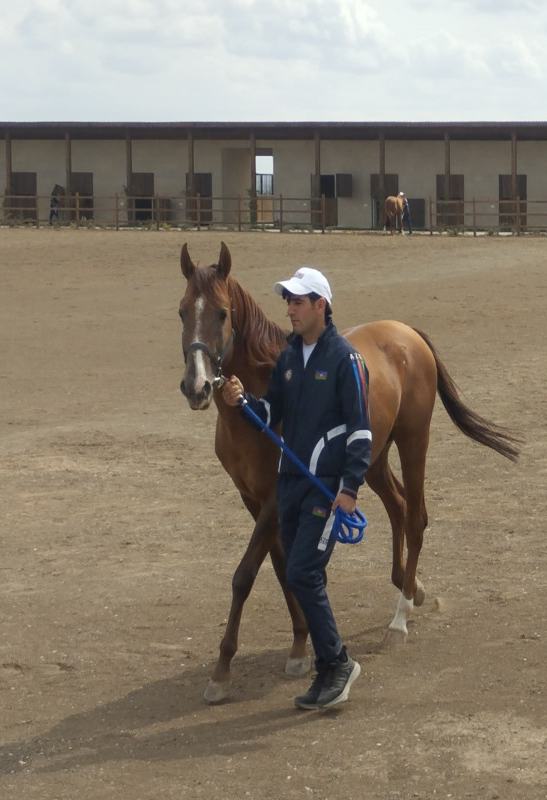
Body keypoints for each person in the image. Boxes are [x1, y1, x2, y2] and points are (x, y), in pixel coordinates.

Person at [220, 266, 371, 710]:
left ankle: (338, 663)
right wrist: (243, 402)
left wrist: (350, 487)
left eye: (298, 301)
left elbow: (360, 430)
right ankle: (329, 670)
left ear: (320, 305)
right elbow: (271, 416)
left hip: (325, 489)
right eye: (287, 300)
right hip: (290, 484)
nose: (289, 308)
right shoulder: (288, 359)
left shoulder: (344, 359)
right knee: (299, 573)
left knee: (303, 572)